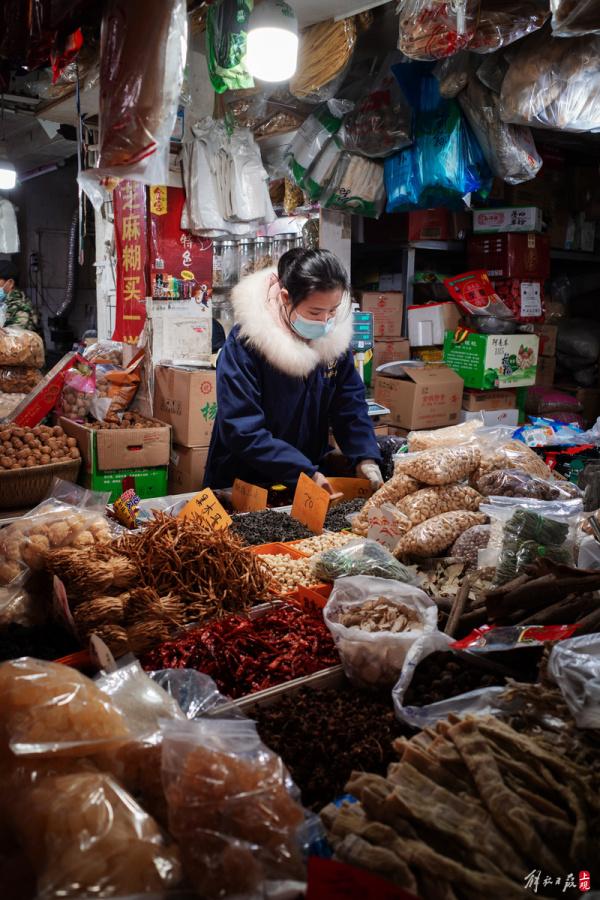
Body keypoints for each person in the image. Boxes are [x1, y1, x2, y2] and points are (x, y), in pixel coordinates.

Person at [204, 247, 383, 493]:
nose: (325, 322)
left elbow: (349, 406)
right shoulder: (247, 344)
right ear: (286, 298)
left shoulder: (333, 343)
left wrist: (365, 456)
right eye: (315, 312)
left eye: (332, 311)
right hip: (244, 480)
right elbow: (241, 428)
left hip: (308, 475)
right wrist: (302, 472)